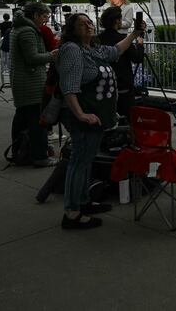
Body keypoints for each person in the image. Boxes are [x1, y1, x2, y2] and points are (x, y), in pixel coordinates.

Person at [56, 12, 145, 229]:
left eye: (89, 22)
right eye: (82, 24)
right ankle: (72, 212)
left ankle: (83, 202)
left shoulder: (92, 49)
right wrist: (80, 114)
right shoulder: (72, 50)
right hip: (84, 118)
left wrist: (134, 34)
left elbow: (115, 51)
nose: (88, 25)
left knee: (86, 161)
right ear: (73, 30)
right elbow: (69, 87)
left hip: (95, 117)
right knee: (79, 162)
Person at [10, 2, 58, 166]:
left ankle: (21, 152)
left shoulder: (21, 28)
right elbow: (32, 58)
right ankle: (39, 156)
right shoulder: (28, 32)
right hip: (30, 82)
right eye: (44, 16)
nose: (45, 20)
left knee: (23, 118)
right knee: (37, 121)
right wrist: (52, 55)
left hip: (24, 81)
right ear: (36, 15)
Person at [98, 7, 143, 119]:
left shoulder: (97, 39)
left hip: (104, 85)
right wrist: (140, 44)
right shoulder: (123, 40)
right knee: (128, 118)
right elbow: (137, 58)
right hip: (123, 86)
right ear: (117, 21)